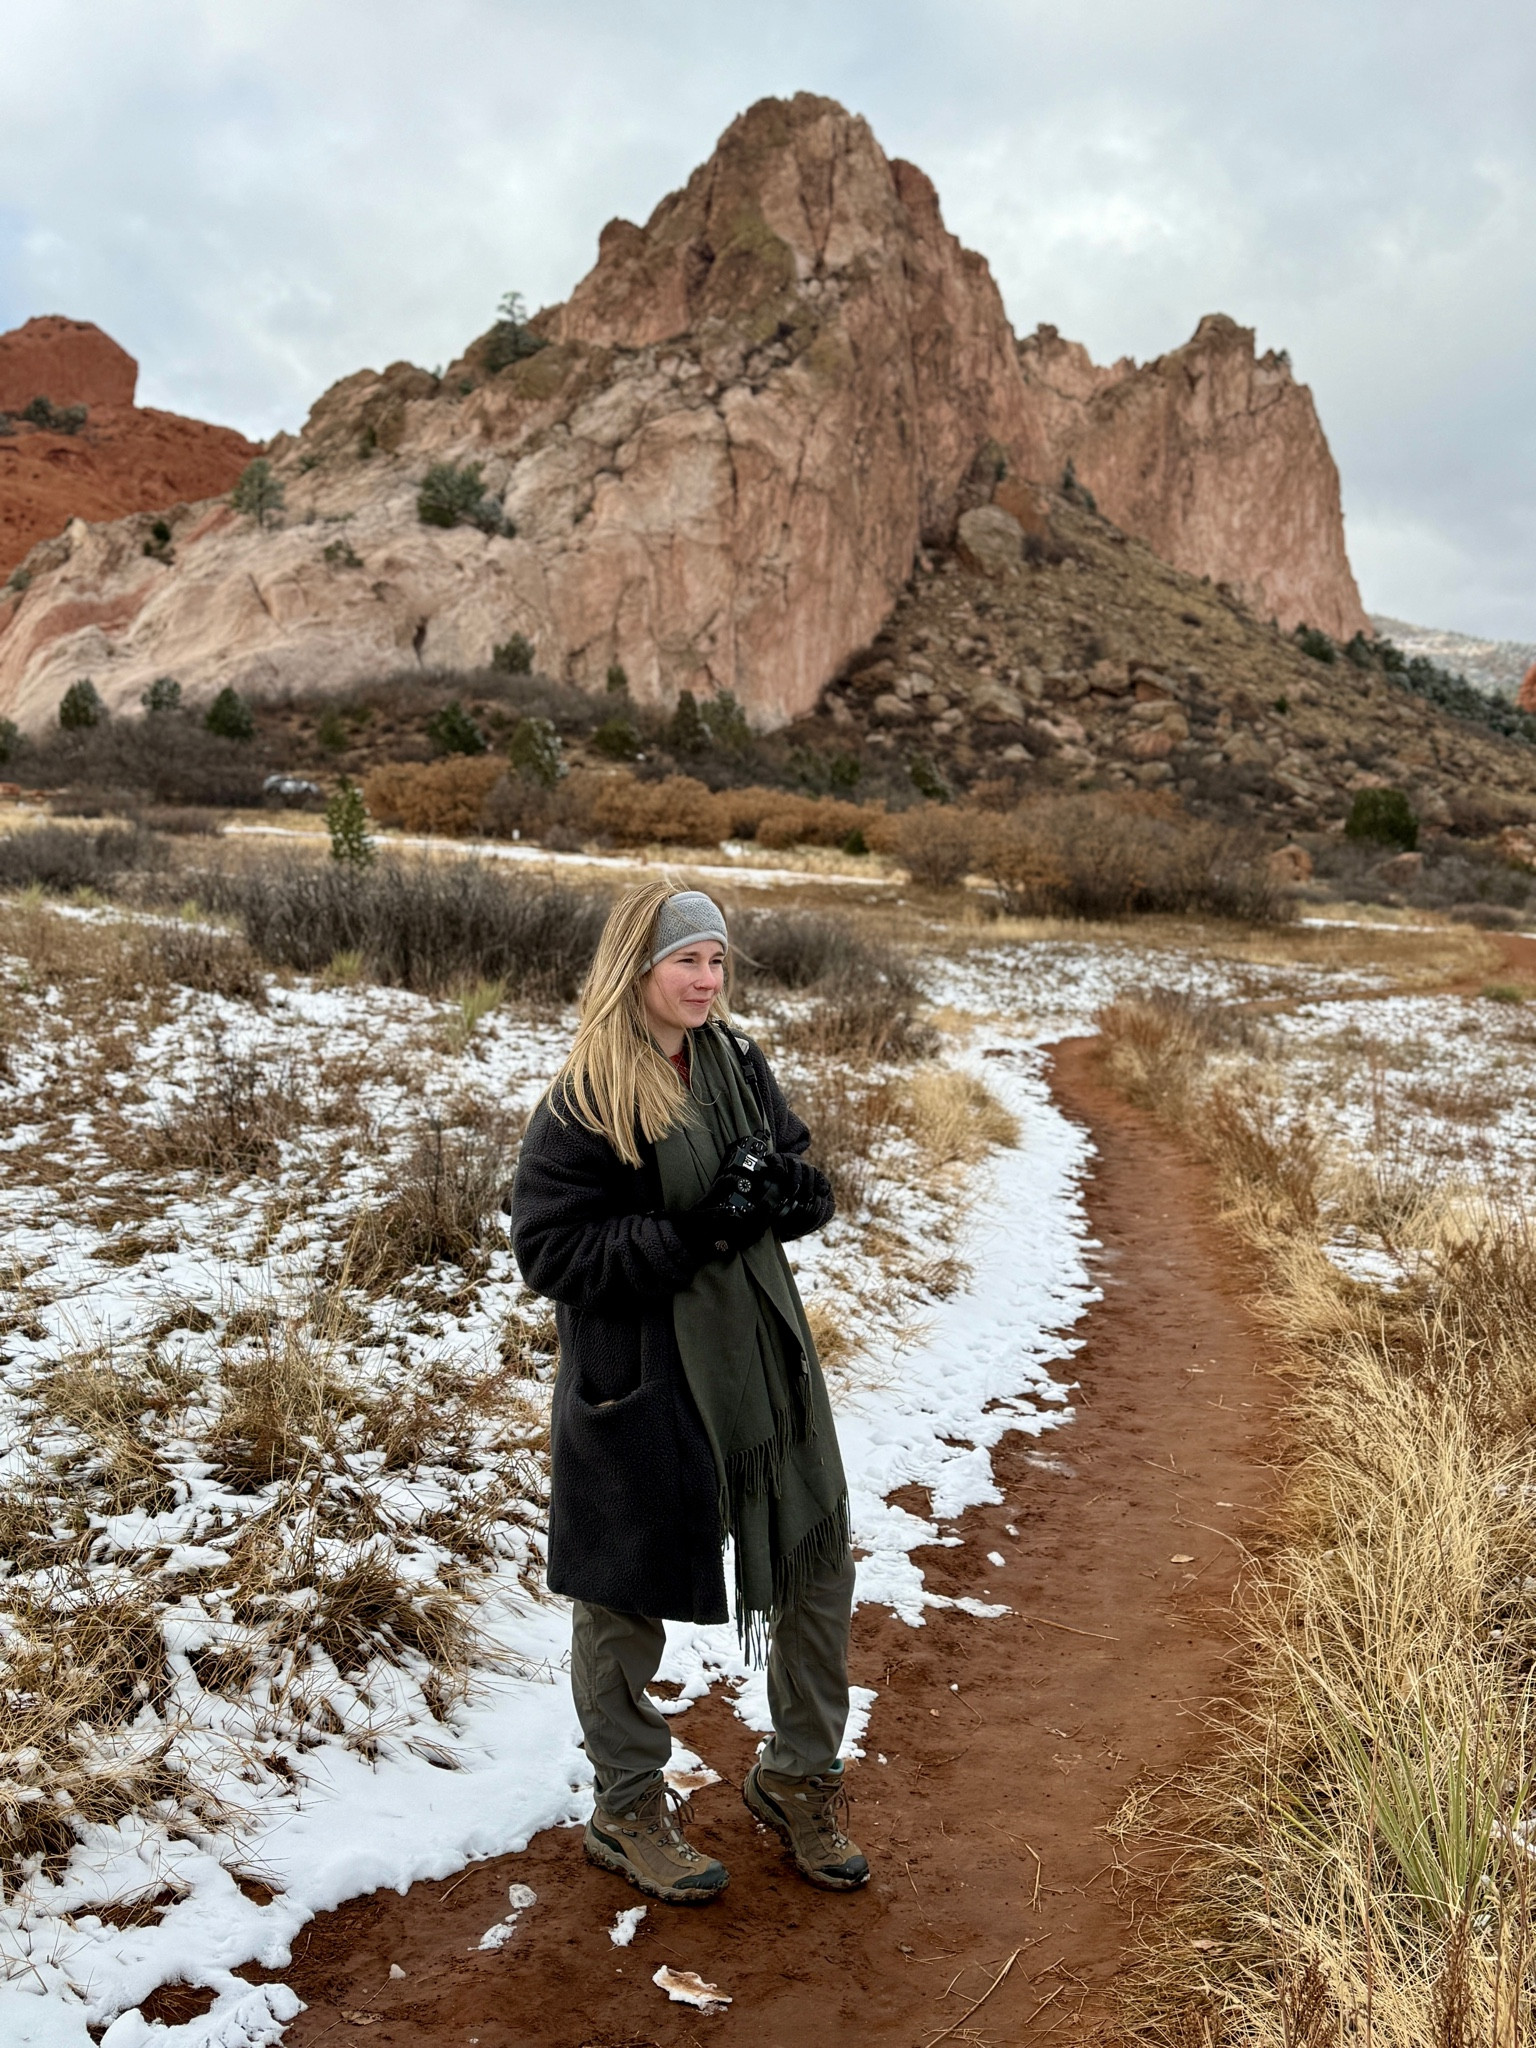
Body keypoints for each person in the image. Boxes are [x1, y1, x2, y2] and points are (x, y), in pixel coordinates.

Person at [511, 880, 867, 1905]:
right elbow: (551, 1249)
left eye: (717, 960)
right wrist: (696, 1231)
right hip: (648, 1384)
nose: (707, 980)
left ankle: (797, 1776)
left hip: (761, 1364)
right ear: (639, 967)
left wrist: (793, 1194)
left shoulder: (735, 1060)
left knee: (815, 1560)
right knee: (622, 1601)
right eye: (687, 961)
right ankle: (626, 1807)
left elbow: (790, 1163)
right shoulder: (588, 1094)